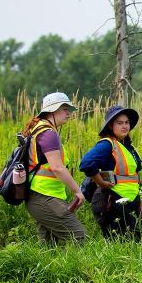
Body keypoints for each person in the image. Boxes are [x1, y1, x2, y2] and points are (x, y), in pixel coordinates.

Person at [22, 92, 87, 245]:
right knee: (79, 237)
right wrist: (78, 191)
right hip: (44, 196)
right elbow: (57, 168)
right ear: (52, 110)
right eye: (64, 108)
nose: (68, 113)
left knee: (50, 247)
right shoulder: (48, 133)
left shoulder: (40, 129)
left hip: (40, 196)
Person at [79, 105, 142, 239]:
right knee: (122, 244)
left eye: (127, 122)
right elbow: (86, 163)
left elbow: (134, 176)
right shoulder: (107, 144)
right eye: (119, 123)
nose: (124, 126)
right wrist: (101, 182)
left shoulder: (128, 147)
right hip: (111, 200)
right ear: (110, 126)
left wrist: (139, 202)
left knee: (135, 243)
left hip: (130, 201)